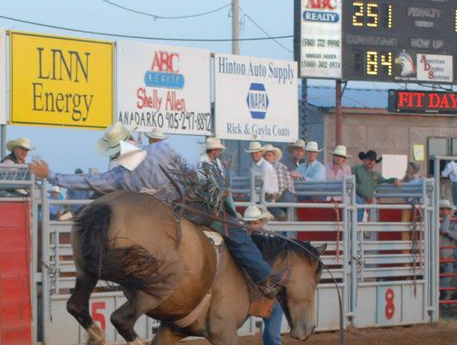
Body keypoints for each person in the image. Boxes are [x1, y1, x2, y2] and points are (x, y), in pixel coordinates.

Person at [28, 127, 287, 317]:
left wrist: (50, 174)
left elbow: (85, 182)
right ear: (133, 140)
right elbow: (189, 173)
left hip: (164, 217)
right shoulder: (161, 149)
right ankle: (265, 279)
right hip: (194, 206)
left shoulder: (119, 175)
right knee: (237, 232)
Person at [242, 204, 285, 345]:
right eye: (250, 222)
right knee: (224, 329)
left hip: (268, 292)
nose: (253, 225)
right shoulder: (242, 242)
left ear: (261, 222)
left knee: (272, 335)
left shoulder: (271, 240)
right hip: (248, 292)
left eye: (256, 222)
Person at [352, 150, 402, 222]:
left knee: (363, 218)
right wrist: (357, 189)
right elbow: (349, 180)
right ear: (364, 160)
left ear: (375, 163)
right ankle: (357, 226)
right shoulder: (356, 169)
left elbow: (385, 180)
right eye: (369, 160)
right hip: (354, 199)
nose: (371, 163)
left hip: (365, 202)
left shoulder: (376, 174)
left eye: (373, 161)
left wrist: (395, 180)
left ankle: (358, 227)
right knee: (360, 207)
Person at [437, 199, 457, 309]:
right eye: (442, 209)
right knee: (437, 279)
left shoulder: (452, 225)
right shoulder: (433, 222)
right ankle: (439, 299)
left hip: (446, 256)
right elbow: (443, 229)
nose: (444, 212)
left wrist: (449, 233)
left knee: (447, 279)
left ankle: (444, 300)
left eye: (446, 209)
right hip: (435, 257)